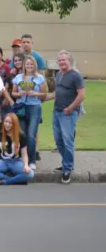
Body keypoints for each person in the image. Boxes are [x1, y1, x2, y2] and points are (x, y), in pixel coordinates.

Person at [44, 50, 85, 184]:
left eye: (64, 60)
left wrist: (70, 108)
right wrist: (44, 98)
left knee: (68, 141)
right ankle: (68, 163)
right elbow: (57, 92)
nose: (61, 62)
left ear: (70, 61)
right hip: (56, 112)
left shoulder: (76, 76)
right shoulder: (60, 74)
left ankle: (67, 169)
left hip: (68, 113)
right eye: (59, 60)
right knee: (58, 140)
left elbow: (81, 95)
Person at [11, 55, 47, 169]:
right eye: (27, 64)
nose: (29, 66)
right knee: (22, 134)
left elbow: (44, 95)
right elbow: (13, 93)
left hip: (35, 108)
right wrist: (20, 94)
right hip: (21, 107)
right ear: (24, 65)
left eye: (31, 64)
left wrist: (35, 94)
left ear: (34, 65)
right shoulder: (18, 77)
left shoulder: (40, 78)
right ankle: (23, 158)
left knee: (31, 135)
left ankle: (32, 161)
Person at [0, 113, 34, 185]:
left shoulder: (21, 136)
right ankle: (17, 180)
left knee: (30, 174)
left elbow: (24, 154)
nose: (7, 124)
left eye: (10, 123)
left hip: (16, 161)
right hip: (2, 161)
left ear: (14, 124)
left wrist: (26, 165)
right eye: (6, 122)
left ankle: (6, 181)